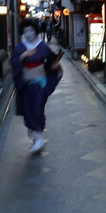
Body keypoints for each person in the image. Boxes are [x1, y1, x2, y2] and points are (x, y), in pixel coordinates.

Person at [10, 17, 63, 153]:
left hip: (40, 83)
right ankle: (34, 134)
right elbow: (13, 62)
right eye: (25, 31)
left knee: (38, 109)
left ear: (36, 31)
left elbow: (50, 65)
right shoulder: (19, 47)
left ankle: (39, 138)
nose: (28, 34)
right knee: (27, 111)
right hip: (25, 84)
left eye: (31, 31)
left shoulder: (43, 47)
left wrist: (55, 66)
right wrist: (23, 56)